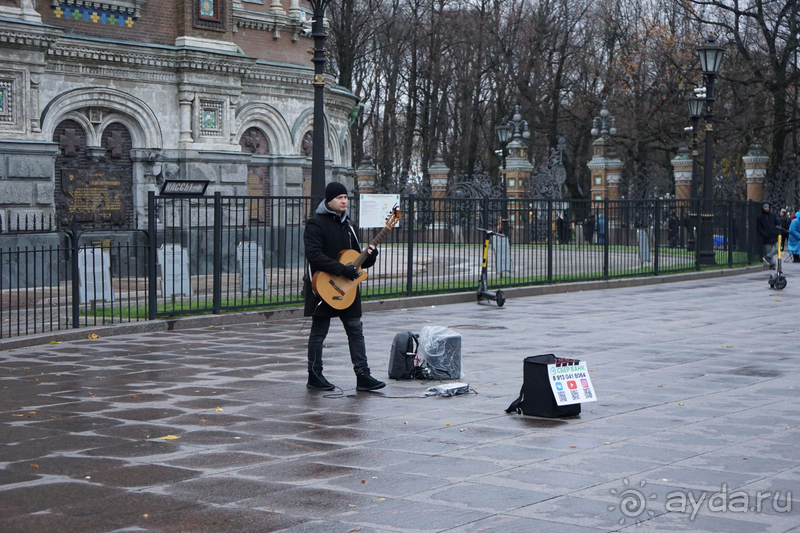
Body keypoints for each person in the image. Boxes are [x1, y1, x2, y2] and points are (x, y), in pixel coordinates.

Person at [303, 182, 385, 391]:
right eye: (340, 197)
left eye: (346, 198)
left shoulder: (350, 226)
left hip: (348, 288)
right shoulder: (315, 224)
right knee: (319, 332)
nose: (344, 201)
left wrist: (370, 256)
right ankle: (314, 375)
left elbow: (358, 260)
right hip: (324, 286)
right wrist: (341, 269)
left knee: (356, 330)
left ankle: (363, 375)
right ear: (328, 200)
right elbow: (314, 255)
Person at [756, 201, 779, 269]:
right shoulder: (760, 217)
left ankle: (768, 257)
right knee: (769, 251)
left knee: (778, 248)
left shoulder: (773, 215)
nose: (767, 208)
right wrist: (764, 234)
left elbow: (777, 223)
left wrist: (776, 231)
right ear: (763, 208)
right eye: (766, 207)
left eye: (768, 207)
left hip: (774, 236)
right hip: (766, 238)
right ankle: (773, 264)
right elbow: (759, 227)